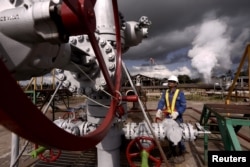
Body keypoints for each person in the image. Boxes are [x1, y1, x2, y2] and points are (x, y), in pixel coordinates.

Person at [156, 75, 187, 155]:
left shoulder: (180, 93)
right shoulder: (165, 93)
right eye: (169, 81)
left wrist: (177, 113)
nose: (170, 83)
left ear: (176, 84)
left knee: (179, 134)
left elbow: (183, 105)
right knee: (169, 133)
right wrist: (159, 109)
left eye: (172, 82)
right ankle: (172, 151)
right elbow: (162, 102)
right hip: (168, 116)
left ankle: (181, 150)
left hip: (177, 117)